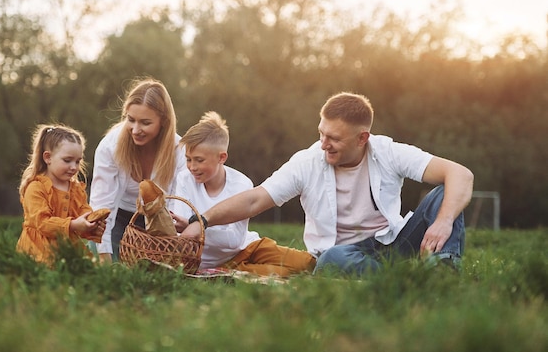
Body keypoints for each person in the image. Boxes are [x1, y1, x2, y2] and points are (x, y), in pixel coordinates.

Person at [182, 92, 474, 276]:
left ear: (363, 138)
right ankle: (409, 278)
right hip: (343, 254)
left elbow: (460, 174)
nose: (324, 144)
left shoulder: (387, 152)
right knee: (331, 261)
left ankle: (443, 271)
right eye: (321, 133)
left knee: (442, 195)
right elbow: (254, 200)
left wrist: (443, 221)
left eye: (334, 138)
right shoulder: (307, 161)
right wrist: (203, 220)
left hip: (394, 242)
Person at [171, 111, 316, 277]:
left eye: (199, 160)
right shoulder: (184, 180)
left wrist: (198, 229)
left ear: (221, 158)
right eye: (188, 159)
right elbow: (184, 236)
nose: (192, 167)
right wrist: (193, 230)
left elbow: (234, 241)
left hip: (249, 247)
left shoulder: (241, 183)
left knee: (306, 263)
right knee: (282, 273)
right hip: (220, 263)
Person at [90, 77, 186, 263]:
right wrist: (104, 255)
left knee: (155, 269)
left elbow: (177, 205)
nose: (135, 129)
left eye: (145, 123)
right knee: (111, 262)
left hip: (161, 222)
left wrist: (171, 247)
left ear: (163, 122)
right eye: (131, 120)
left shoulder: (178, 151)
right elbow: (102, 205)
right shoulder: (110, 146)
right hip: (119, 219)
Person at [16, 124, 106, 264]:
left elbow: (82, 212)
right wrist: (72, 225)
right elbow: (42, 223)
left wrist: (91, 225)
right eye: (67, 160)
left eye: (77, 161)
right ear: (48, 158)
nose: (74, 167)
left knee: (85, 274)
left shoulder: (75, 189)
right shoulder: (36, 187)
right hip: (38, 249)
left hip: (68, 247)